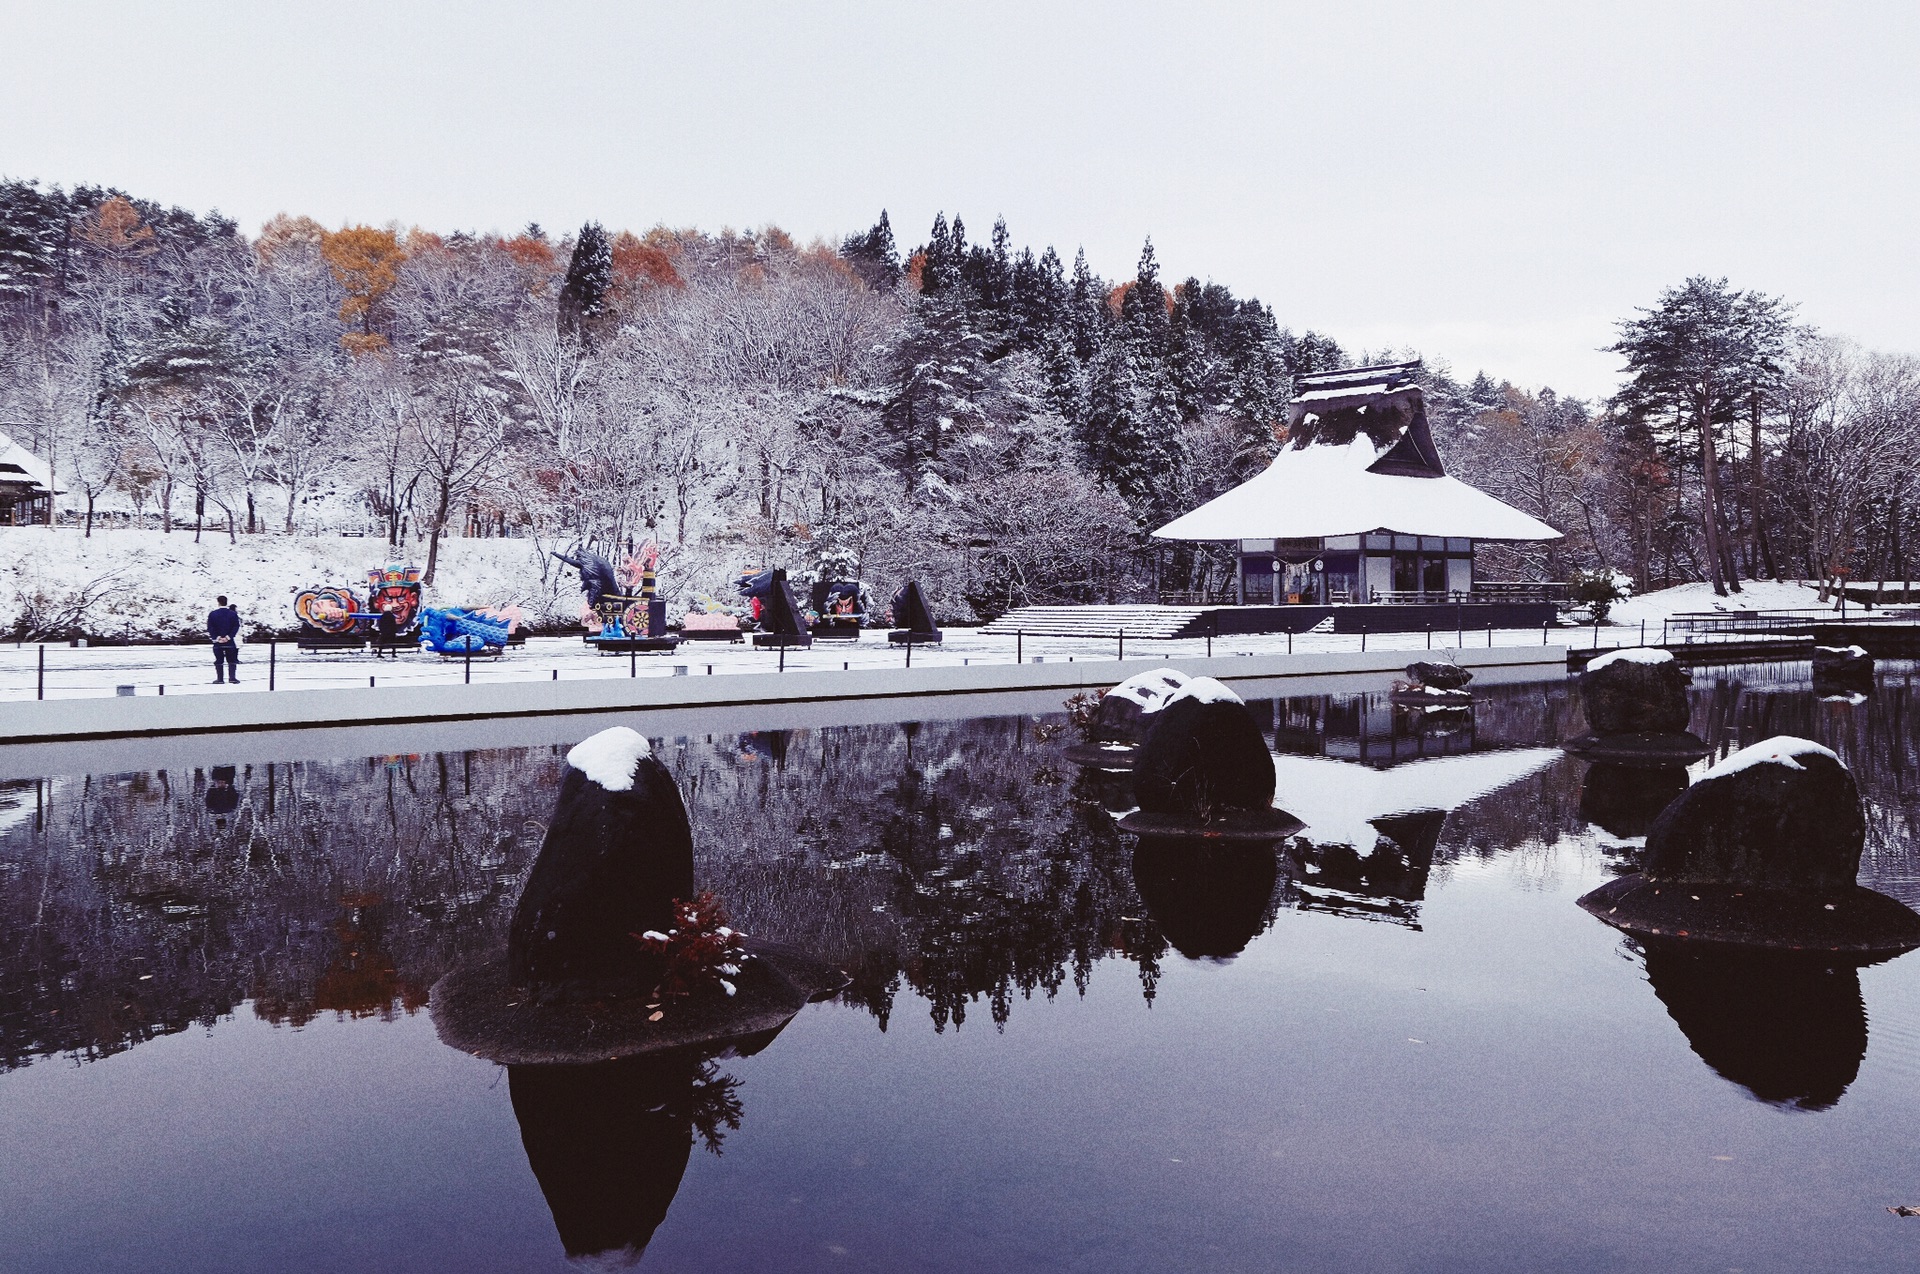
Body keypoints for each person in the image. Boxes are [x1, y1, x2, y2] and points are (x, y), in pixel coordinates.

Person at [207, 595, 241, 684]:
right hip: (229, 641)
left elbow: (210, 627)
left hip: (218, 641)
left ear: (218, 602)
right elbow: (236, 626)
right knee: (232, 660)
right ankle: (232, 678)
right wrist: (228, 637)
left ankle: (220, 679)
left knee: (219, 660)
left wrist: (217, 637)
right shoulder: (233, 614)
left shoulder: (213, 614)